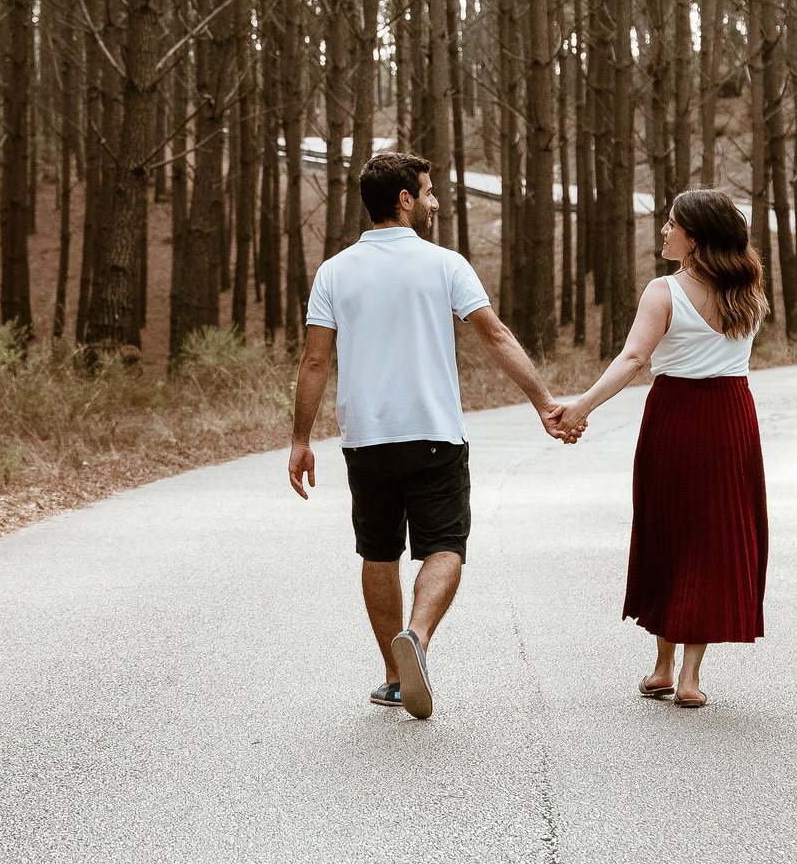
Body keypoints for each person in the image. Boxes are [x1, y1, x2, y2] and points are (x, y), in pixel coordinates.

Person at [291, 151, 565, 720]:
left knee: (378, 550)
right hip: (435, 434)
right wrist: (544, 402)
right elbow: (494, 337)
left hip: (366, 437)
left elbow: (315, 362)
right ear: (405, 201)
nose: (436, 201)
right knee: (445, 544)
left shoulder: (334, 272)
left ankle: (394, 676)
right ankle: (415, 636)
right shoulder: (446, 265)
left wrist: (300, 439)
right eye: (429, 191)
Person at [554, 189, 770, 709]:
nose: (663, 232)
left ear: (693, 238)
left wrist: (581, 407)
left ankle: (663, 667)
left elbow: (632, 360)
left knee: (670, 531)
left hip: (676, 418)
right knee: (714, 540)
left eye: (671, 225)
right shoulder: (748, 290)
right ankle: (688, 677)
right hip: (732, 419)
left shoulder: (664, 292)